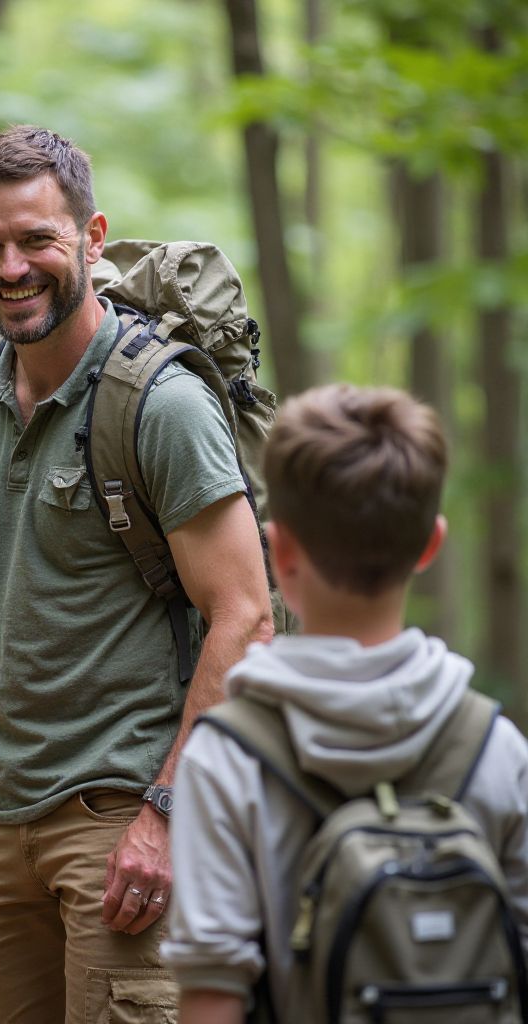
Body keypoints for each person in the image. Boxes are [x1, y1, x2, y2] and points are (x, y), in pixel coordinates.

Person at [0, 124, 273, 1022]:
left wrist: (164, 818)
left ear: (90, 239)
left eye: (37, 239)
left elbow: (245, 616)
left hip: (126, 820)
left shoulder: (159, 403)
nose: (11, 268)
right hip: (9, 829)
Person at [162, 384, 528, 1023]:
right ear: (429, 545)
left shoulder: (225, 759)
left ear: (279, 551)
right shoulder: (497, 748)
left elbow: (212, 996)